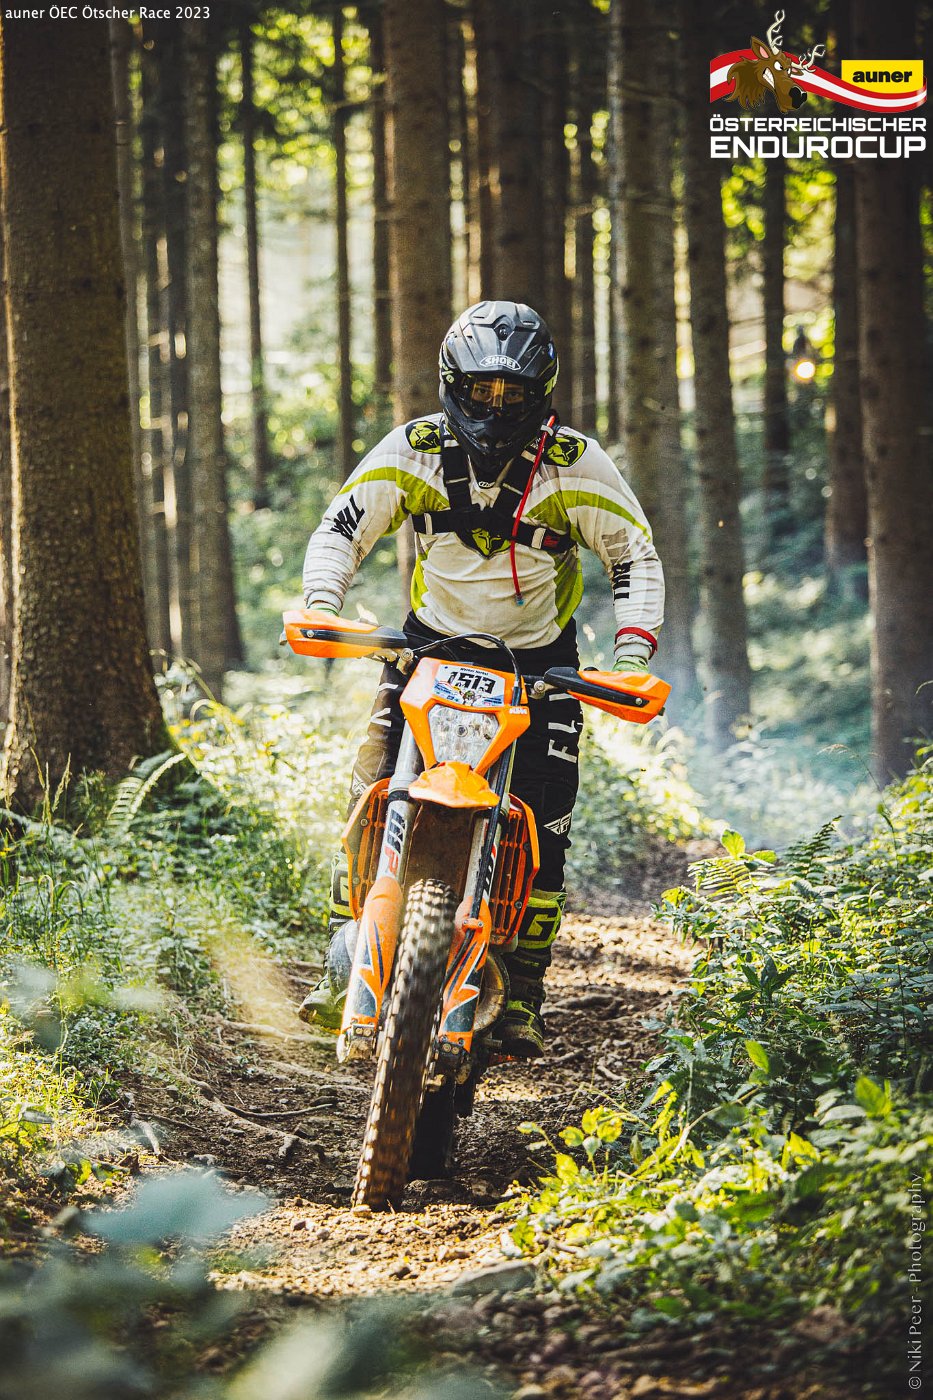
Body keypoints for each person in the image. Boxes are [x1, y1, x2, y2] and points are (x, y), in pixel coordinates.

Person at [299, 299, 664, 1057]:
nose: (495, 406)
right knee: (371, 794)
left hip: (540, 668)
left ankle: (524, 990)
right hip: (426, 650)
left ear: (542, 392)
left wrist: (631, 655)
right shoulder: (415, 449)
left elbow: (633, 554)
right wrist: (322, 604)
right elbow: (343, 525)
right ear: (451, 385)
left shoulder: (575, 463)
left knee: (546, 823)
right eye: (480, 390)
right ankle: (341, 959)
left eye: (513, 392)